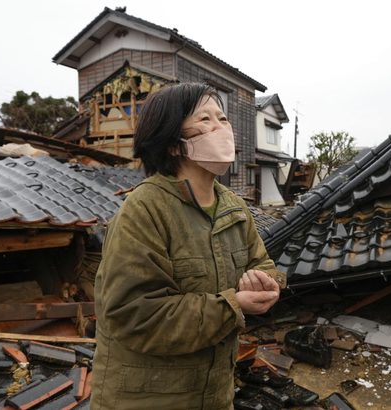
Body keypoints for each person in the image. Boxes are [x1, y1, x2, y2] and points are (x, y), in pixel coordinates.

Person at [91, 82, 286, 410]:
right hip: (147, 399)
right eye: (205, 120)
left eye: (222, 119)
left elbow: (262, 263)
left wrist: (268, 283)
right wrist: (233, 305)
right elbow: (135, 314)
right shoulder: (145, 209)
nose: (221, 128)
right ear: (172, 144)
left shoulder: (235, 208)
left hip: (213, 392)